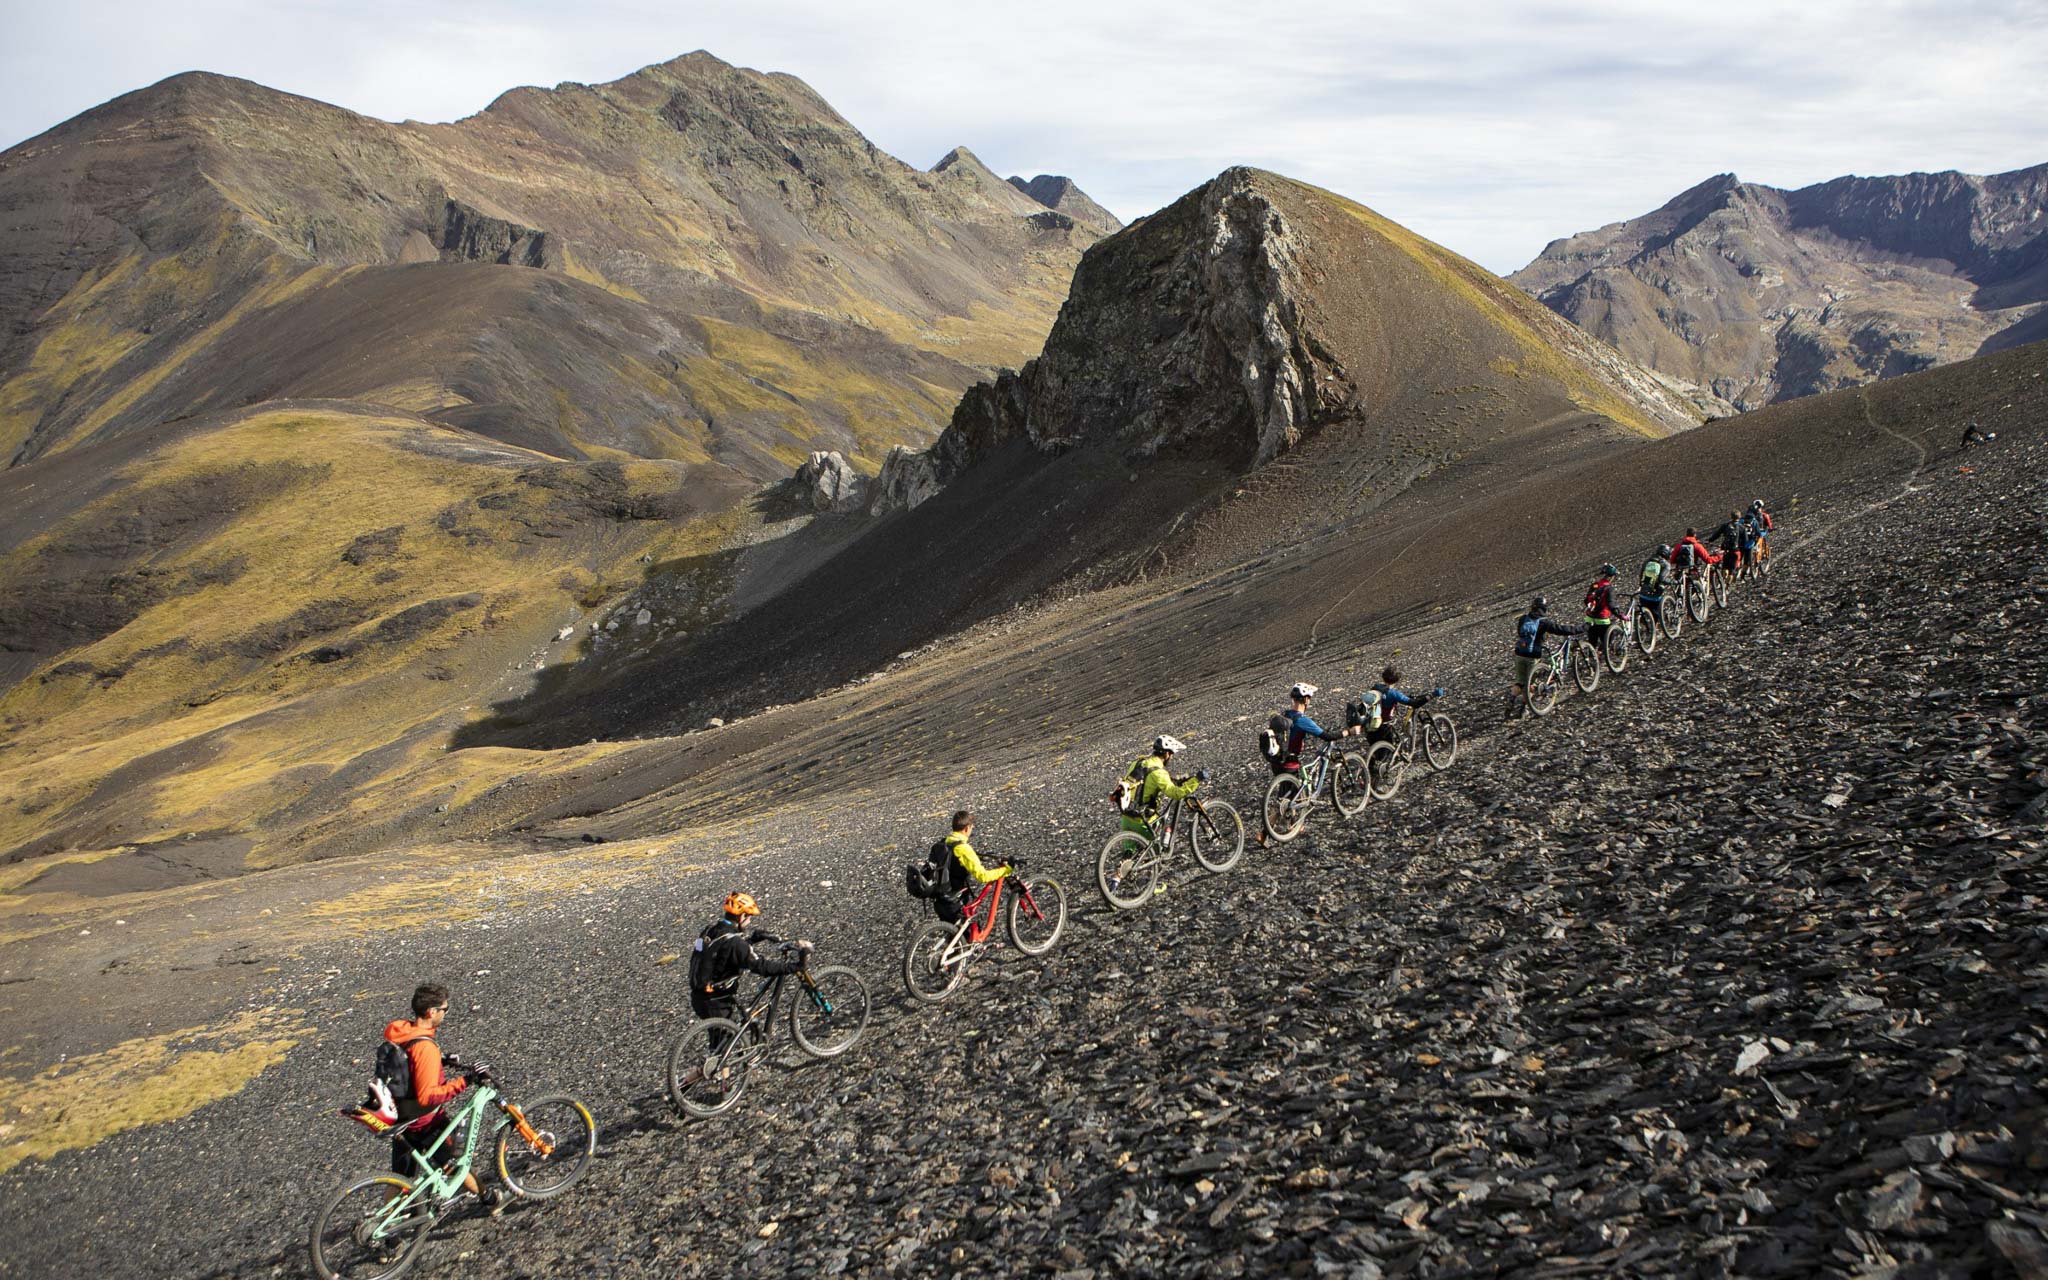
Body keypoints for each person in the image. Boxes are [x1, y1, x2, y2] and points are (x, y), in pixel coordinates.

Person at [384, 983, 505, 1212]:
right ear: (432, 1012)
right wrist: (465, 1081)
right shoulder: (425, 1048)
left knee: (399, 1178)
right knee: (455, 1164)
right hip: (424, 1121)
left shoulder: (403, 1033)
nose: (445, 1013)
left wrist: (441, 1059)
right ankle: (490, 1199)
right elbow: (428, 1095)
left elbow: (409, 1065)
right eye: (444, 1009)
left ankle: (385, 1232)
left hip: (400, 1116)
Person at [690, 893, 811, 1030]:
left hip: (699, 995)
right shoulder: (735, 942)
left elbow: (715, 953)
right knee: (728, 1044)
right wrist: (795, 967)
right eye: (749, 917)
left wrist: (752, 940)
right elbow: (760, 967)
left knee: (720, 1040)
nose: (750, 921)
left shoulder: (708, 931)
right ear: (742, 916)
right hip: (717, 1000)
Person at [1115, 737, 1205, 885]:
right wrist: (1196, 780)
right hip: (1143, 820)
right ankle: (1152, 885)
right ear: (1167, 754)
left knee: (1127, 856)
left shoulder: (1138, 762)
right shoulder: (1159, 772)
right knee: (1159, 853)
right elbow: (1175, 793)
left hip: (1127, 816)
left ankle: (1112, 887)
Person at [1509, 597, 1582, 719]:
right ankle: (1523, 710)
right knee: (1531, 685)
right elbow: (1561, 630)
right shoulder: (1544, 622)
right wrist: (1582, 628)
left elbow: (1520, 633)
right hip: (1533, 656)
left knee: (1520, 682)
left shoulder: (1523, 619)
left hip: (1519, 654)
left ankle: (1510, 703)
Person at [939, 809, 1010, 922]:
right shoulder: (963, 849)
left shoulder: (945, 843)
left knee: (954, 934)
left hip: (941, 899)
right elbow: (983, 876)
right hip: (956, 900)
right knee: (968, 934)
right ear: (967, 828)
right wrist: (1006, 870)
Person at [1368, 666, 1443, 746]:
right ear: (1397, 679)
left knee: (1376, 753)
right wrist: (1432, 695)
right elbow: (1415, 704)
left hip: (1370, 725)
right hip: (1384, 727)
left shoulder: (1375, 688)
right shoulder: (1393, 693)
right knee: (1387, 754)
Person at [1583, 564, 1619, 654]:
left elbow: (1586, 600)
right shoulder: (1609, 588)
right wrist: (1620, 615)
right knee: (1609, 637)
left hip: (1590, 618)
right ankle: (1603, 655)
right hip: (1602, 619)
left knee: (1592, 642)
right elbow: (1611, 605)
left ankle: (1592, 661)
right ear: (1612, 576)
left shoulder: (1595, 585)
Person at [1640, 544, 1672, 630]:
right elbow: (1662, 579)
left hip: (1643, 593)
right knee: (1656, 614)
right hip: (1655, 594)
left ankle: (1643, 631)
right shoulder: (1666, 564)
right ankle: (1654, 632)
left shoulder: (1647, 561)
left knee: (1645, 612)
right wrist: (1672, 582)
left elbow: (1641, 577)